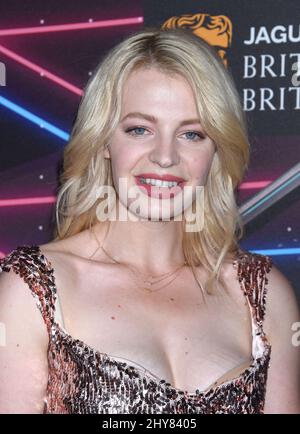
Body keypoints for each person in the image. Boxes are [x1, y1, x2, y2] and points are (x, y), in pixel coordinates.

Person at [0, 28, 299, 414]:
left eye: (192, 134)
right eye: (140, 129)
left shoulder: (262, 294)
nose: (165, 156)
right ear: (104, 140)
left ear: (216, 150)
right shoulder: (32, 291)